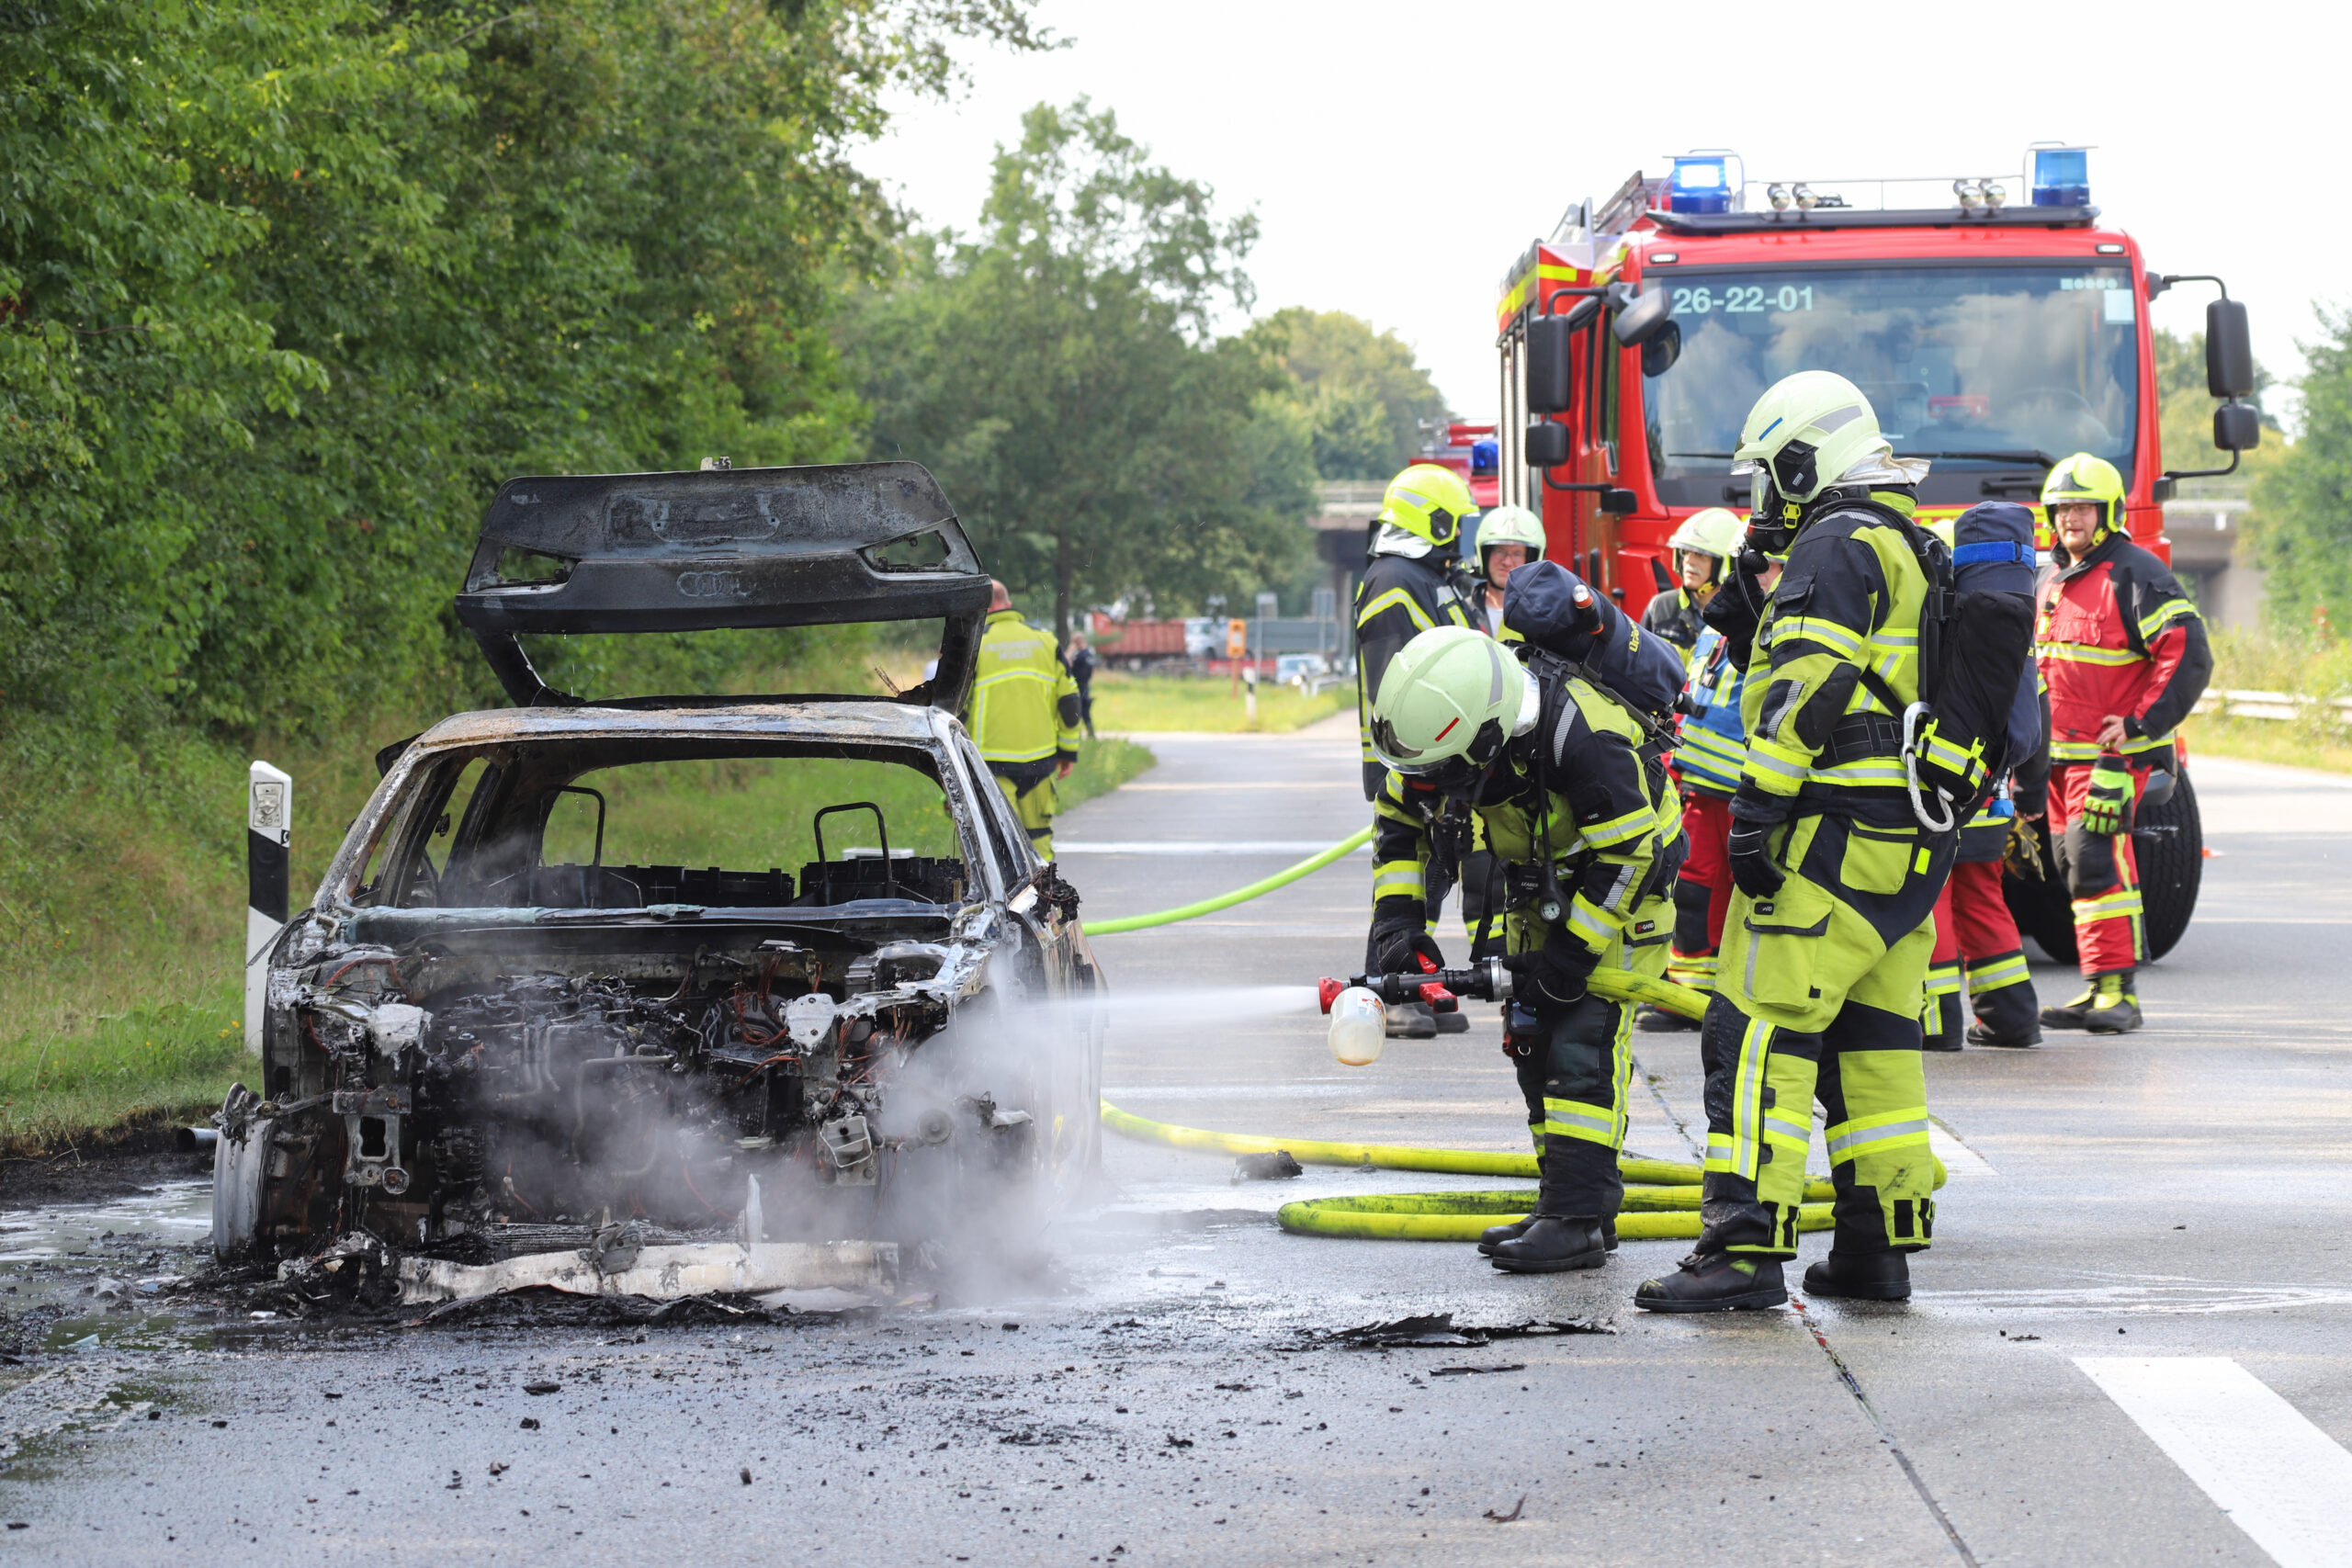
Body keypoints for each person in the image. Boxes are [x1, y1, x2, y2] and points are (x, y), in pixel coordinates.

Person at [1634, 371, 1954, 1313]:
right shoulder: (1909, 543)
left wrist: (1761, 809)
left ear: (1804, 462)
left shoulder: (1838, 542)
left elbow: (1800, 682)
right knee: (1875, 1042)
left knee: (1754, 1033)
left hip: (1830, 835)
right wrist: (1747, 589)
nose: (1760, 500)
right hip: (1902, 841)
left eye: (1768, 479)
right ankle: (1873, 1249)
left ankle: (1742, 1250)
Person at [1365, 626, 1676, 1274]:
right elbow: (1399, 822)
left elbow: (1630, 853)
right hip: (1543, 886)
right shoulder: (1447, 738)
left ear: (1486, 740)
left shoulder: (1582, 737)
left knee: (1580, 1041)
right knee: (1531, 1036)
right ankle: (1568, 1203)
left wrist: (1571, 958)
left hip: (1620, 894)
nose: (1434, 787)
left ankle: (1576, 1219)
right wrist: (1398, 923)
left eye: (1443, 774)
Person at [2030, 454, 2211, 1034]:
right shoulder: (2052, 579)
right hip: (2059, 759)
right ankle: (2098, 986)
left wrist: (2137, 725)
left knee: (2095, 864)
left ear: (2107, 512)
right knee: (2076, 871)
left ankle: (2119, 993)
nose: (2069, 520)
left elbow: (2187, 651)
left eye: (2081, 508)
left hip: (2111, 760)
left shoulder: (2136, 573)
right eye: (2061, 510)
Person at [1352, 464, 1478, 802]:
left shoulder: (1426, 577)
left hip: (1440, 761)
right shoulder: (1394, 582)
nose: (1460, 537)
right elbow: (1393, 692)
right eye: (1457, 524)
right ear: (1436, 522)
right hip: (1413, 768)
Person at [971, 581, 1082, 859]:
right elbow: (1070, 703)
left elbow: (952, 709)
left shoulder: (972, 644)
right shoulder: (1046, 641)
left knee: (996, 844)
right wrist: (1067, 751)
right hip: (1040, 761)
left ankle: (1004, 900)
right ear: (1008, 604)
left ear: (982, 607)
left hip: (989, 764)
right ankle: (1044, 899)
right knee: (1038, 839)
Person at [1641, 507, 1746, 661]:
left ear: (1724, 563)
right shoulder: (1660, 607)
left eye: (1700, 554)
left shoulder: (1741, 617)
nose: (1689, 560)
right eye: (1685, 552)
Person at [1470, 504, 1547, 637]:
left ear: (1530, 560)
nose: (1506, 562)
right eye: (1500, 551)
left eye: (1517, 554)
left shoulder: (1543, 618)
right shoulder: (1463, 612)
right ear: (1485, 555)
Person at [1068, 634, 1098, 739]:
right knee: (1084, 713)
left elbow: (1066, 663)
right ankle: (1091, 735)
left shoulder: (1080, 655)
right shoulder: (1089, 654)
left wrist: (1070, 650)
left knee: (1078, 712)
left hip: (1079, 687)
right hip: (1085, 686)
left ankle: (1081, 735)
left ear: (1078, 642)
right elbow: (1093, 671)